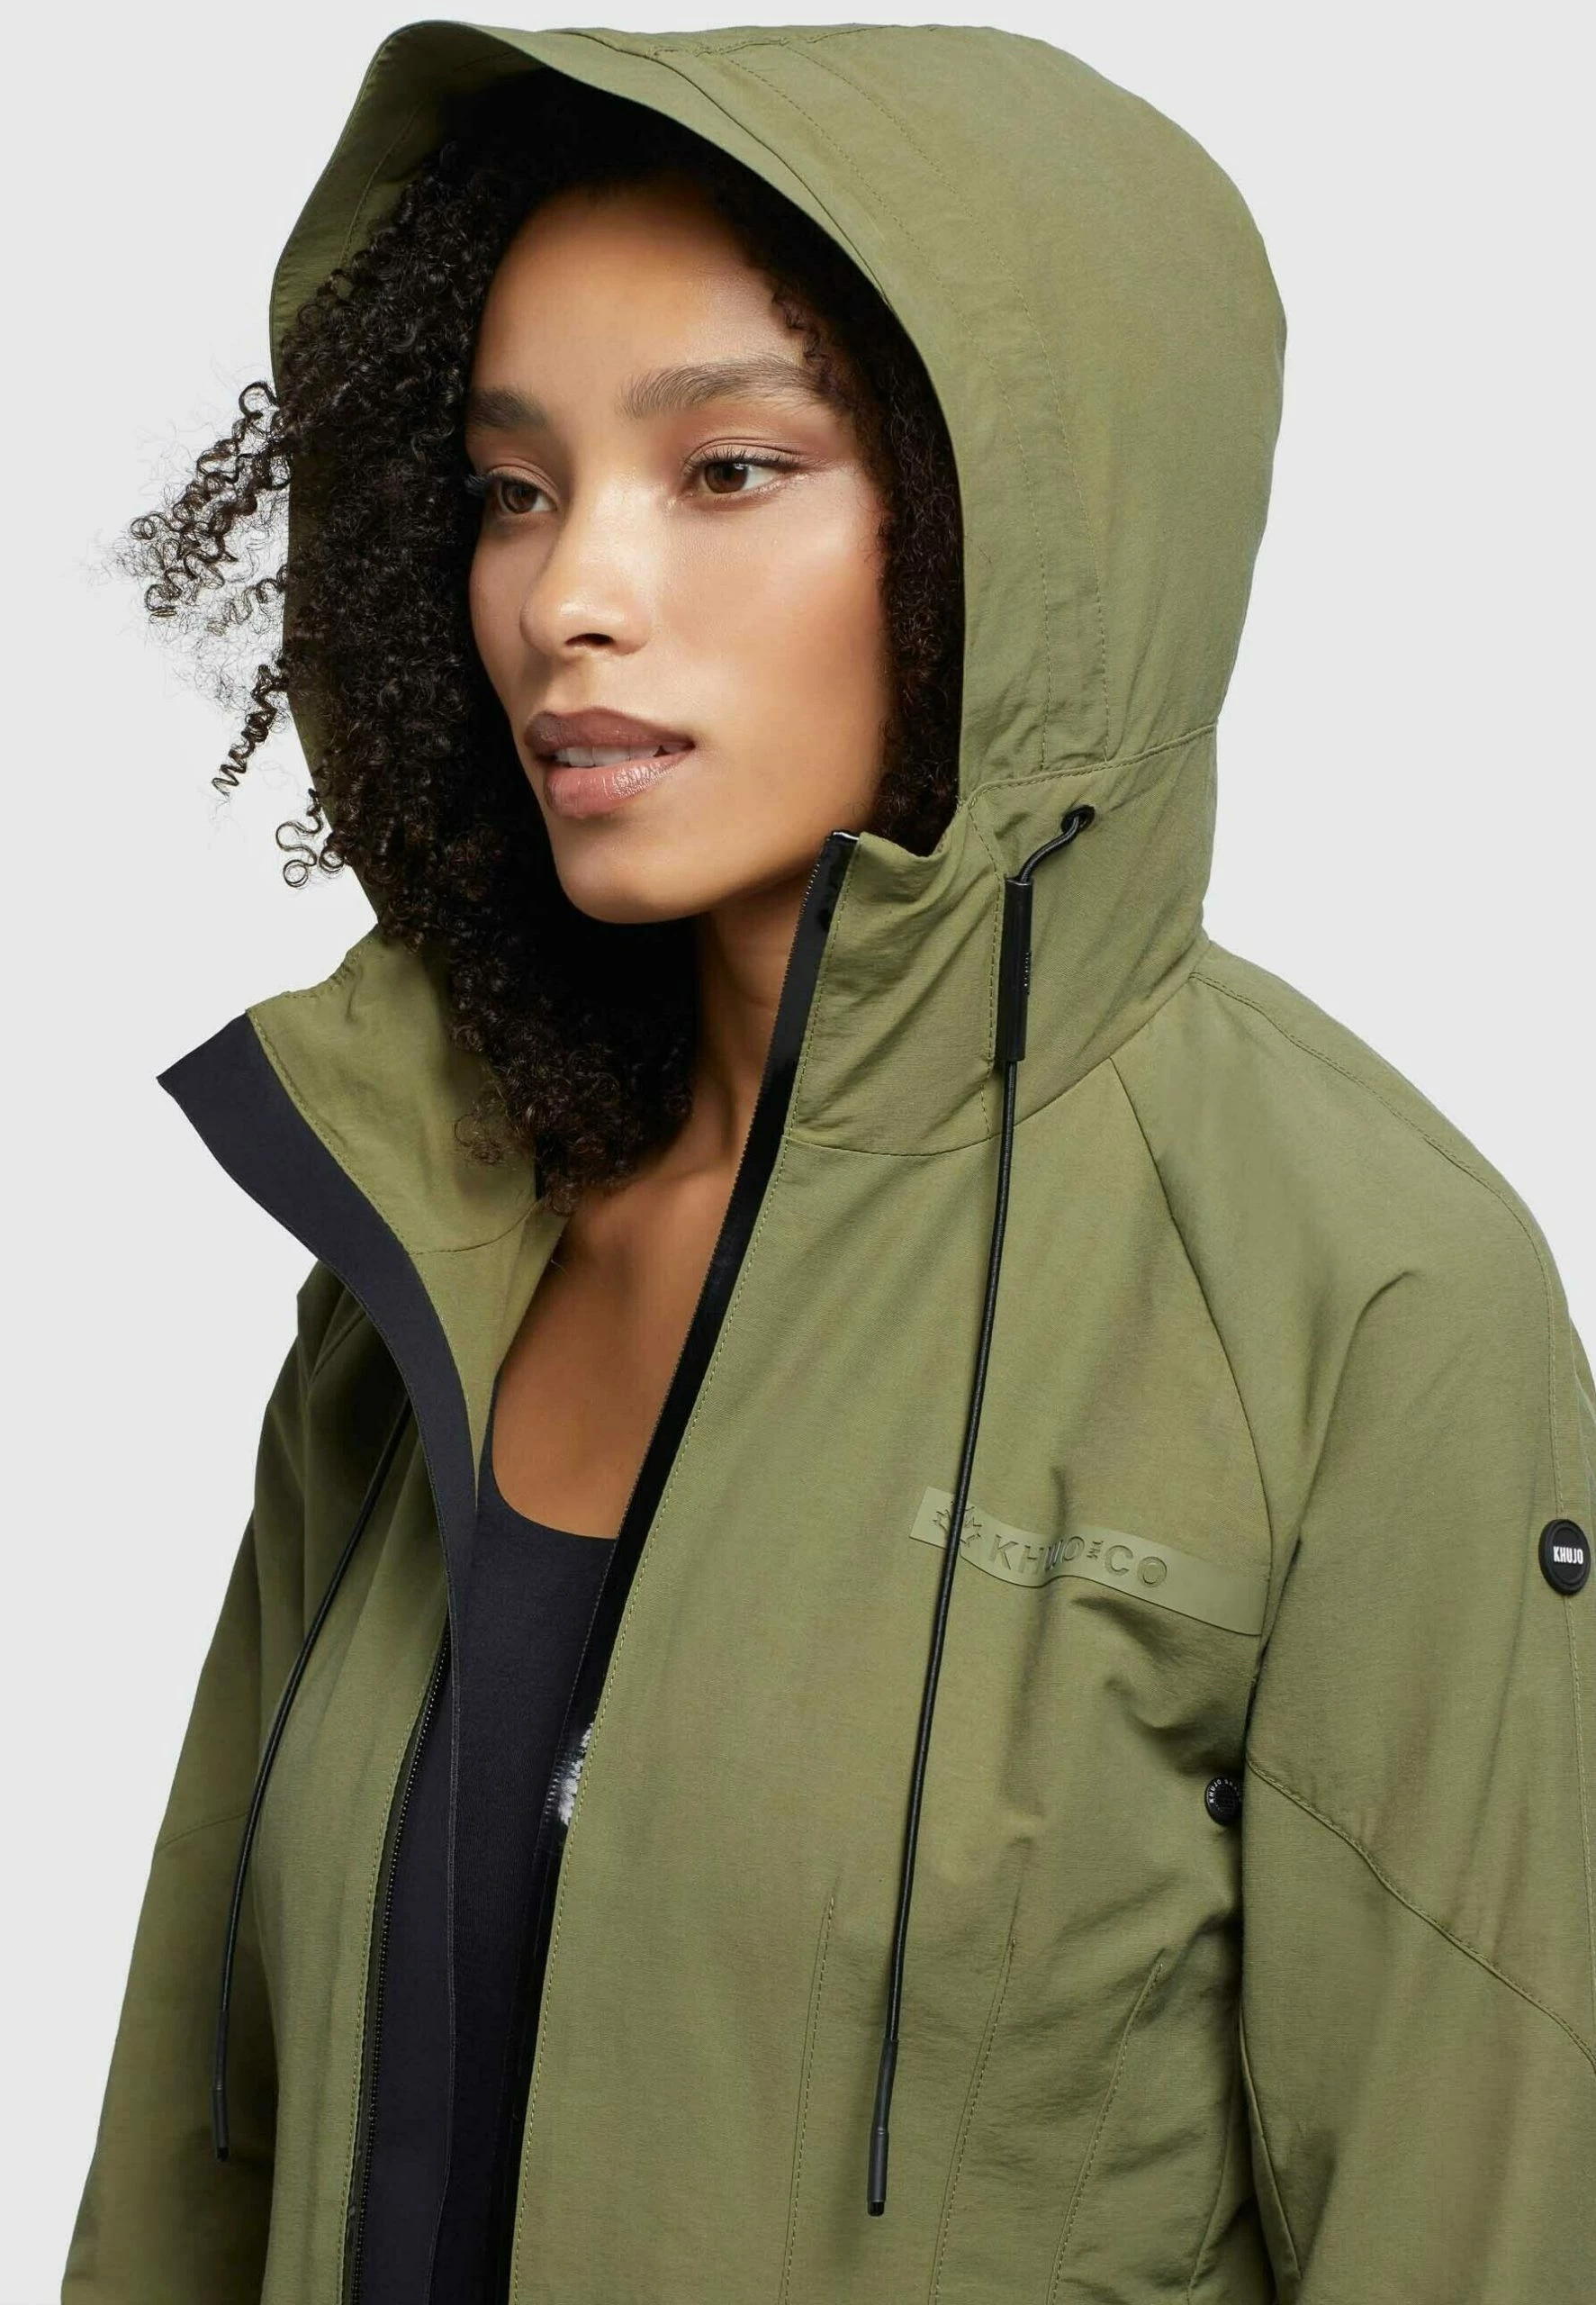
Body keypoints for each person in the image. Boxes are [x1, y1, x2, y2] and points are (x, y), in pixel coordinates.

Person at [64, 21, 1595, 2305]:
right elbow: (195, 2165)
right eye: (509, 488)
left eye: (725, 469)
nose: (566, 595)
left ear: (1023, 530)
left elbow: (1483, 2223)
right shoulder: (436, 1230)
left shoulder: (1357, 1302)